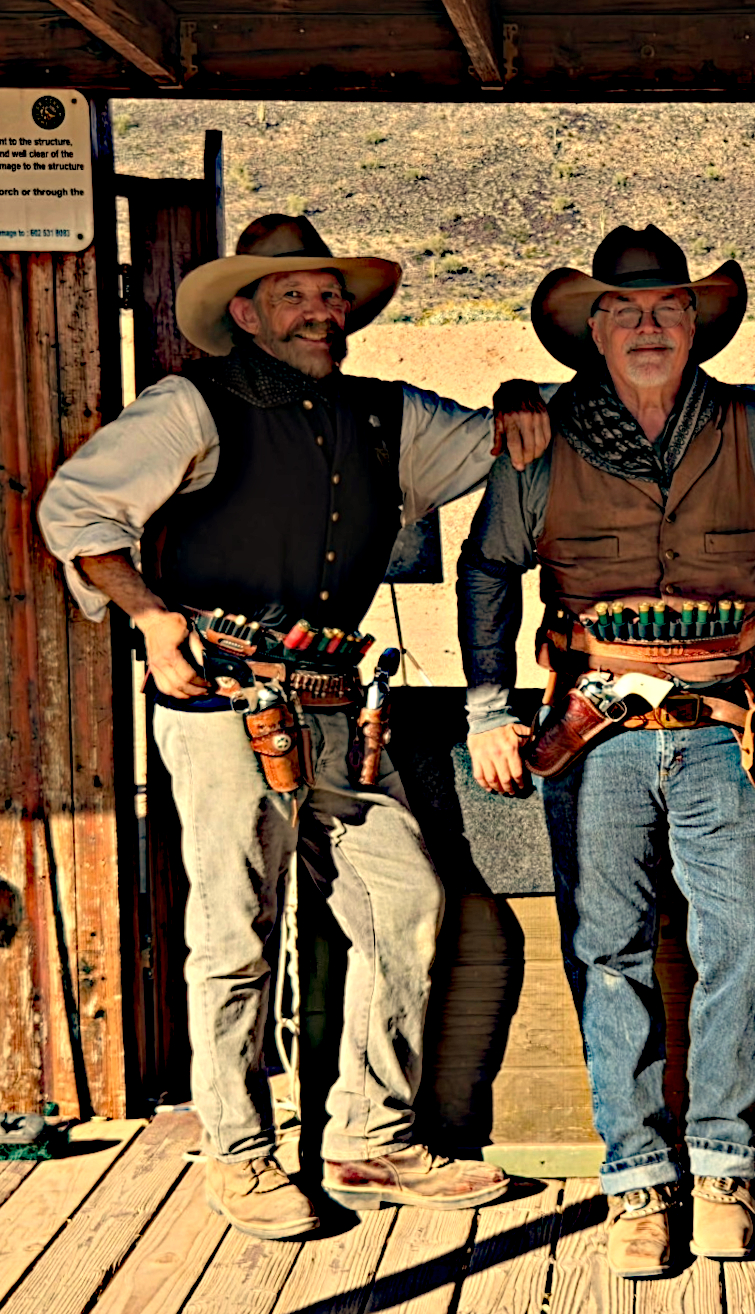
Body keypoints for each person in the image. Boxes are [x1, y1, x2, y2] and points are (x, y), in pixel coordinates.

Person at [38, 214, 551, 1241]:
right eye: (293, 297)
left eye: (329, 297)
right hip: (225, 704)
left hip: (336, 708)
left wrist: (519, 398)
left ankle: (372, 1135)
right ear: (245, 314)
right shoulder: (191, 405)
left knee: (403, 901)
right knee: (235, 931)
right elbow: (78, 512)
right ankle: (238, 1153)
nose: (321, 313)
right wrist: (151, 617)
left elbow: (500, 443)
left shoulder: (386, 415)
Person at [460, 224, 755, 1276]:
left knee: (740, 942)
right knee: (605, 951)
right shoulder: (541, 436)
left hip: (725, 730)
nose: (649, 325)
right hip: (595, 733)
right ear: (594, 329)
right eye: (625, 310)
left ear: (696, 323)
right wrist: (488, 710)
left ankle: (724, 1166)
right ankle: (636, 1181)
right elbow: (488, 570)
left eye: (668, 307)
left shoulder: (750, 427)